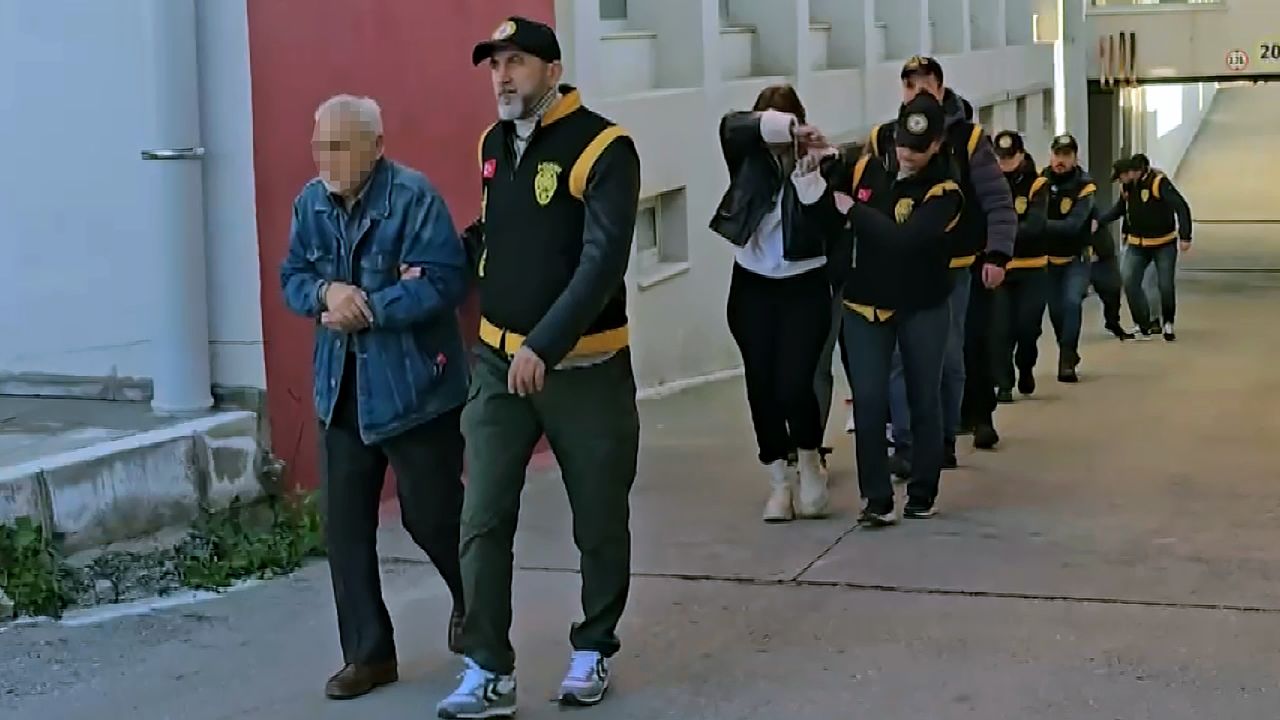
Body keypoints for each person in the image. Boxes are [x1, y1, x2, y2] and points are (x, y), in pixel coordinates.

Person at [437, 17, 642, 719]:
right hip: (498, 364)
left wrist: (544, 345)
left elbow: (601, 263)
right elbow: (499, 234)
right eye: (494, 64)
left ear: (552, 70)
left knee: (599, 516)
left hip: (585, 368)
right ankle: (487, 668)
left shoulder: (605, 148)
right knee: (482, 516)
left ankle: (594, 646)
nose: (502, 76)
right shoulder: (492, 144)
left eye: (516, 62)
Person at [279, 95, 470, 700]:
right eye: (319, 146)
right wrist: (325, 293)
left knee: (432, 515)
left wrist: (367, 307)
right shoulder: (310, 202)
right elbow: (293, 277)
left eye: (339, 147)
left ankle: (475, 605)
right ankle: (368, 655)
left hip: (416, 390)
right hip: (340, 389)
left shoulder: (413, 198)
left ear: (376, 147)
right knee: (345, 529)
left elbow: (445, 279)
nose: (325, 159)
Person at [800, 92, 963, 525]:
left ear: (936, 145)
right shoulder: (866, 166)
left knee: (923, 399)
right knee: (869, 403)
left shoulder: (946, 191)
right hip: (864, 303)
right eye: (902, 144)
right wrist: (820, 158)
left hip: (922, 305)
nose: (907, 155)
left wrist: (855, 211)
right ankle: (876, 499)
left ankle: (922, 493)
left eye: (918, 149)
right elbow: (827, 193)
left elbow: (903, 241)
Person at [866, 56, 1015, 463]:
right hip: (899, 266)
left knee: (946, 356)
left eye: (924, 84)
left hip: (953, 268)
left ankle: (944, 437)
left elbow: (997, 200)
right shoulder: (883, 137)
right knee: (899, 358)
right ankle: (907, 444)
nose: (917, 92)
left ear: (940, 87)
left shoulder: (968, 139)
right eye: (909, 85)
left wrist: (998, 253)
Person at [713, 84, 838, 523]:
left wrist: (811, 175)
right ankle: (778, 481)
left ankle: (809, 460)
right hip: (752, 285)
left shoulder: (826, 161)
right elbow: (730, 126)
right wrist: (781, 128)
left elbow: (830, 225)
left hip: (805, 284)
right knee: (761, 386)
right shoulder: (746, 157)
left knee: (794, 383)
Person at [1099, 155, 1194, 340]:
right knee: (1129, 280)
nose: (1120, 181)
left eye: (1121, 176)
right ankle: (1143, 324)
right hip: (1137, 244)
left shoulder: (1158, 183)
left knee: (1164, 284)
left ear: (1131, 173)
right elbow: (1120, 209)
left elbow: (1181, 207)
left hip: (1163, 243)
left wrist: (1185, 236)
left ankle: (1167, 323)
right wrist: (1100, 221)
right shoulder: (1127, 187)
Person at [990, 130, 1049, 402]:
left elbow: (1035, 225)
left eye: (1010, 158)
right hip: (1001, 268)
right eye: (1000, 158)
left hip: (1032, 267)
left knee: (1028, 328)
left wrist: (1000, 233)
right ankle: (1004, 382)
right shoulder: (990, 184)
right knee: (1000, 329)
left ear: (1021, 155)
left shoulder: (1037, 184)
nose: (1005, 163)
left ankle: (1026, 366)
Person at [1041, 133, 1097, 383]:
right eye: (1057, 154)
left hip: (1076, 257)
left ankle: (1065, 360)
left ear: (1075, 157)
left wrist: (1038, 225)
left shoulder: (1085, 186)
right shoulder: (1039, 182)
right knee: (1056, 311)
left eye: (1066, 155)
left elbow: (1073, 225)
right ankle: (1069, 350)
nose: (1060, 160)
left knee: (1072, 302)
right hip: (1048, 258)